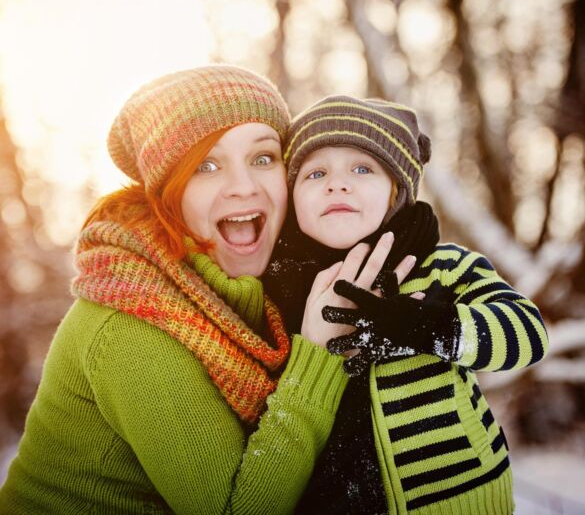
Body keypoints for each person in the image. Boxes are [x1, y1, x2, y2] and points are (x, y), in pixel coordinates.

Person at [0, 67, 409, 515]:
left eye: (263, 158)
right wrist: (318, 354)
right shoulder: (129, 322)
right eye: (206, 166)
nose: (243, 186)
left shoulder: (266, 290)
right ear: (167, 196)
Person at [264, 95, 549, 515]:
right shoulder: (275, 291)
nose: (337, 184)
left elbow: (529, 334)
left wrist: (440, 328)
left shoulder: (441, 267)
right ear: (292, 198)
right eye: (316, 172)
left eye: (363, 169)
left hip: (452, 500)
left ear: (396, 191)